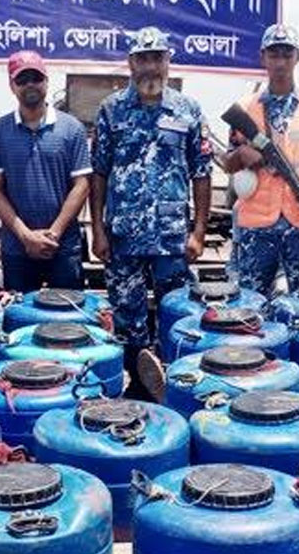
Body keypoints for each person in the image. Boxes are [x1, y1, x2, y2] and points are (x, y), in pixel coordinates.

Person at [90, 27, 212, 398]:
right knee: (127, 318)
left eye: (157, 58)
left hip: (172, 236)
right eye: (142, 59)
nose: (150, 66)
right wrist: (97, 231)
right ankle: (139, 389)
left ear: (167, 61)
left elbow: (202, 172)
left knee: (177, 313)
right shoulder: (111, 109)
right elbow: (99, 173)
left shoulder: (188, 109)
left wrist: (199, 232)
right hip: (123, 237)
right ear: (131, 63)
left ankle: (175, 387)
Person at [223, 23, 299, 297]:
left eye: (287, 54)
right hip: (257, 223)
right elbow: (228, 163)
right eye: (274, 54)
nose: (281, 62)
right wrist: (243, 155)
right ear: (263, 58)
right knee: (250, 302)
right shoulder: (245, 109)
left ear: (298, 57)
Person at [0, 51, 92, 292]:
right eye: (22, 80)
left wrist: (54, 234)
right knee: (19, 312)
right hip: (17, 247)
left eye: (36, 78)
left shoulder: (72, 128)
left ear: (46, 81)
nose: (30, 84)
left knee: (69, 314)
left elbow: (82, 185)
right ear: (12, 85)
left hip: (63, 246)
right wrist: (26, 236)